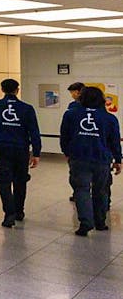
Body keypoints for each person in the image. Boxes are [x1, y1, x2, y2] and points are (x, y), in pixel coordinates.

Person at [60, 86, 122, 235]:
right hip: (102, 160)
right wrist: (118, 159)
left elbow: (65, 136)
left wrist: (67, 153)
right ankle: (100, 222)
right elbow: (114, 141)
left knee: (81, 190)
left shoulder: (71, 115)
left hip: (79, 158)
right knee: (101, 191)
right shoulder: (109, 118)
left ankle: (86, 223)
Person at [0, 78, 41, 228]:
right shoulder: (27, 108)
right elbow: (34, 132)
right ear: (17, 90)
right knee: (20, 180)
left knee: (4, 181)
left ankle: (9, 214)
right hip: (21, 149)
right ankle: (19, 211)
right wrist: (36, 153)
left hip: (1, 148)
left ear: (2, 90)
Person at [66, 82, 85, 202]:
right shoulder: (72, 105)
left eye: (73, 92)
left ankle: (79, 193)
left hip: (77, 145)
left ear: (78, 92)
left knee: (76, 173)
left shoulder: (74, 107)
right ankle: (78, 193)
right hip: (78, 144)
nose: (72, 95)